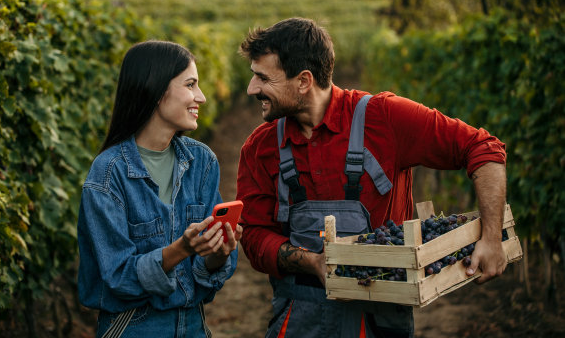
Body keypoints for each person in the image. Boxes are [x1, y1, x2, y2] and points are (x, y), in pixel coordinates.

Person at [236, 18, 507, 338]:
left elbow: (483, 148)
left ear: (304, 81)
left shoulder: (385, 118)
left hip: (382, 315)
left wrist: (490, 237)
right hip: (299, 316)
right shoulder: (260, 147)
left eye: (263, 78)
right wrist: (313, 263)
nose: (253, 89)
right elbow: (253, 235)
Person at [77, 40, 242, 338]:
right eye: (190, 84)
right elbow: (117, 276)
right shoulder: (108, 174)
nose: (201, 97)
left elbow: (205, 275)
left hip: (193, 325)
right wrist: (182, 249)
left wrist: (219, 252)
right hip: (132, 327)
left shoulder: (202, 162)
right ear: (155, 89)